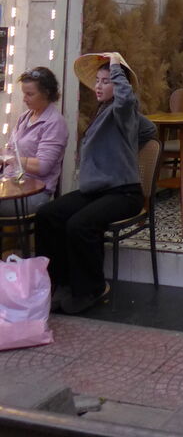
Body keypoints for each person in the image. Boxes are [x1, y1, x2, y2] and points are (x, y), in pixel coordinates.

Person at [35, 52, 157, 315]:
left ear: (119, 85)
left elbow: (128, 101)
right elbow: (148, 129)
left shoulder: (123, 109)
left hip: (124, 193)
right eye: (98, 81)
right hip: (96, 191)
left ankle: (93, 288)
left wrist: (116, 65)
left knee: (79, 225)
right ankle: (61, 283)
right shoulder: (105, 112)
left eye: (107, 81)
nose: (99, 86)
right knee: (47, 215)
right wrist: (124, 148)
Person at [0, 66, 67, 214]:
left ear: (46, 93)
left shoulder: (55, 123)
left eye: (30, 94)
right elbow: (10, 149)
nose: (24, 99)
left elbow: (43, 166)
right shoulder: (25, 117)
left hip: (34, 192)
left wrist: (11, 159)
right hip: (12, 183)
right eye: (24, 93)